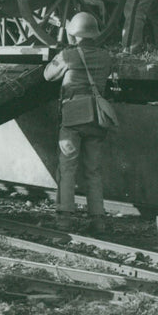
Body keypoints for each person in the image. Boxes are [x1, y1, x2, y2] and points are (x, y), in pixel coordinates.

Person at [44, 12, 113, 234]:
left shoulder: (68, 55)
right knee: (93, 171)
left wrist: (61, 52)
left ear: (74, 34)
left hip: (73, 118)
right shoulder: (105, 56)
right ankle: (98, 220)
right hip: (96, 119)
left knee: (67, 168)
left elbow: (48, 75)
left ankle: (64, 219)